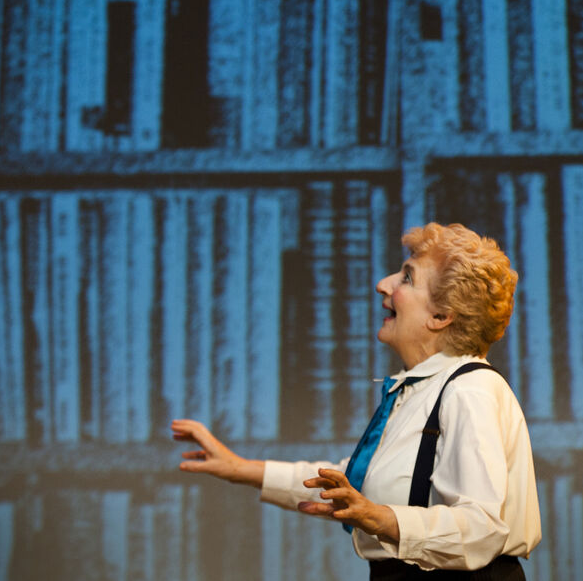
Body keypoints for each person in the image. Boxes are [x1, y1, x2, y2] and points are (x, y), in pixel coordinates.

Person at [172, 222, 541, 579]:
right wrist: (239, 469)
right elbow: (351, 483)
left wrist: (378, 517)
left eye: (407, 277)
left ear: (441, 316)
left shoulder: (469, 390)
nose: (383, 285)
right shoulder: (419, 390)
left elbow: (482, 528)